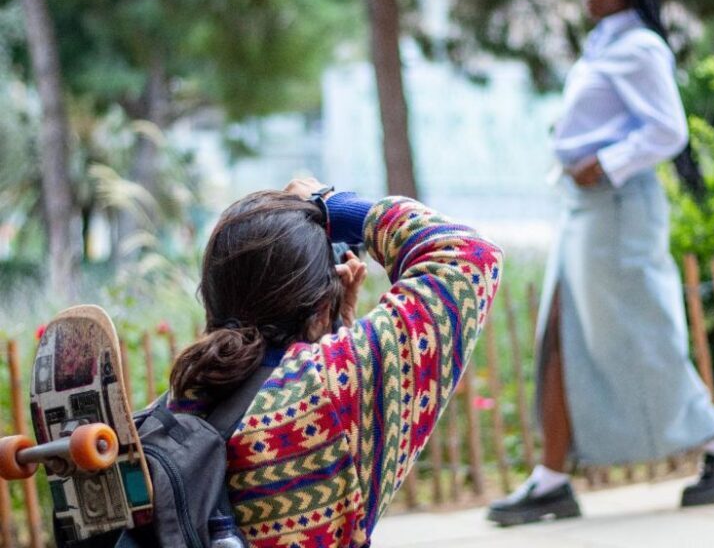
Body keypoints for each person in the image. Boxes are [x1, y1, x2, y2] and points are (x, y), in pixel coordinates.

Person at [487, 0, 714, 526]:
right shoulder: (604, 46)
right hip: (585, 207)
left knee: (637, 332)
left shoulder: (640, 47)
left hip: (617, 206)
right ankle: (551, 479)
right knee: (558, 335)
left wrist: (604, 164)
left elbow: (668, 130)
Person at [167, 178, 503, 546]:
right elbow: (472, 255)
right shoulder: (331, 388)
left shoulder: (185, 399)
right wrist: (330, 202)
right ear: (320, 307)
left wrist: (333, 329)